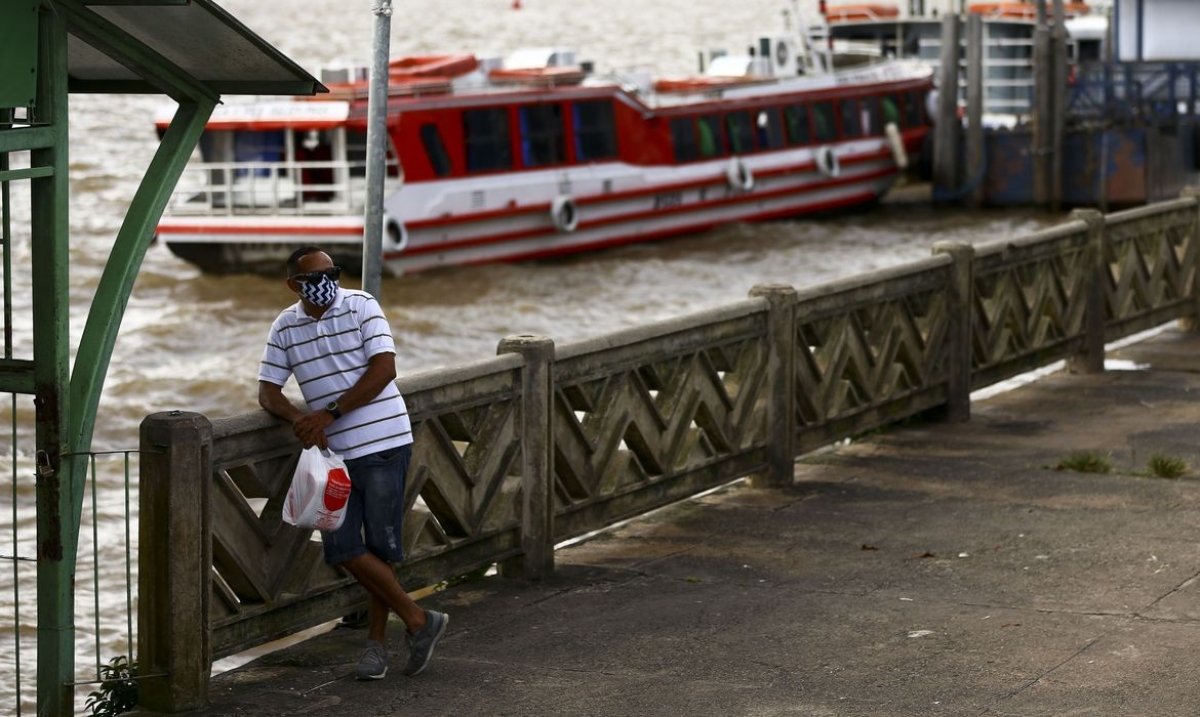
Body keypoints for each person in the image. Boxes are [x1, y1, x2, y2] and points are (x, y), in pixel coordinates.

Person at [257, 246, 447, 680]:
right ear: (293, 285)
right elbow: (268, 391)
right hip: (334, 458)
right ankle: (419, 620)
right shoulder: (285, 326)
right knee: (343, 548)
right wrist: (299, 419)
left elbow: (384, 369)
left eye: (333, 272)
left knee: (380, 549)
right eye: (314, 277)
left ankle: (376, 649)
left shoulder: (362, 305)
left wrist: (331, 414)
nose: (327, 281)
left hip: (384, 443)